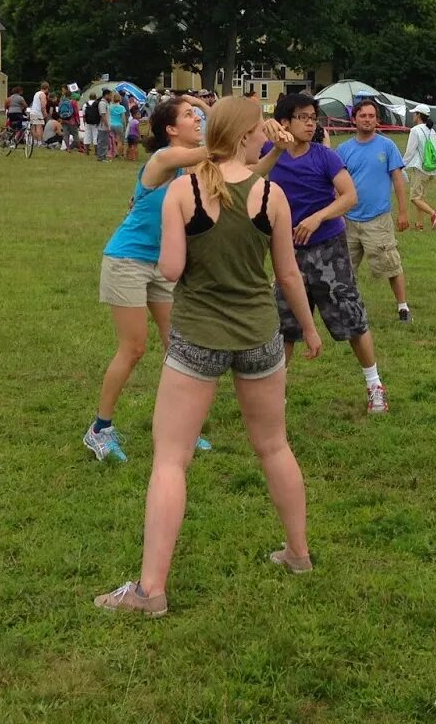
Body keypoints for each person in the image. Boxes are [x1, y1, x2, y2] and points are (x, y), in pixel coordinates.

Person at [93, 97, 322, 617]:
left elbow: (170, 270)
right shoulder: (272, 194)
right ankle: (298, 554)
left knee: (171, 459)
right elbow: (287, 274)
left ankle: (151, 591)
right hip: (260, 336)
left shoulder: (185, 189)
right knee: (274, 446)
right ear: (247, 135)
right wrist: (308, 329)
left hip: (197, 337)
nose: (270, 136)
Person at [87, 96, 291, 463]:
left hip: (169, 265)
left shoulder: (200, 169)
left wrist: (273, 146)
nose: (197, 120)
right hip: (128, 259)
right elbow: (224, 146)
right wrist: (240, 124)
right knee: (133, 348)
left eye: (199, 116)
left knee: (177, 348)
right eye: (188, 116)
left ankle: (181, 428)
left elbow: (247, 171)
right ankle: (100, 428)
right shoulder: (164, 160)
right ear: (170, 129)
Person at [266, 93, 387, 413]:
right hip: (287, 251)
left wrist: (319, 216)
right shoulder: (270, 152)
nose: (310, 123)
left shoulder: (325, 156)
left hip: (328, 249)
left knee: (351, 318)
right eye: (303, 117)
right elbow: (237, 148)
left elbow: (349, 197)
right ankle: (277, 392)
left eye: (313, 117)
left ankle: (374, 385)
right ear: (285, 122)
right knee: (284, 325)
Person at [337, 99, 414, 323]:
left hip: (377, 220)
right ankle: (348, 310)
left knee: (391, 264)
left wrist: (402, 212)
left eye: (371, 116)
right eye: (363, 116)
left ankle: (403, 307)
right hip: (349, 220)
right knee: (345, 269)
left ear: (377, 119)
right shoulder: (343, 150)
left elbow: (398, 180)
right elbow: (336, 184)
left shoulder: (386, 146)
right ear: (354, 119)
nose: (368, 120)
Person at [402, 108, 436, 230]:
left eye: (414, 114)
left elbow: (410, 151)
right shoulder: (430, 130)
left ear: (418, 115)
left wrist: (400, 165)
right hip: (431, 169)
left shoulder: (415, 130)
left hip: (421, 169)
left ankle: (433, 213)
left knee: (414, 198)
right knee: (420, 198)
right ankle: (419, 225)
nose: (413, 116)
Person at [108, 93, 128, 161]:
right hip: (119, 124)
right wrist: (125, 126)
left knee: (113, 140)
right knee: (120, 140)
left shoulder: (110, 107)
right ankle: (118, 153)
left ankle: (113, 152)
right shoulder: (122, 107)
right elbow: (123, 119)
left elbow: (109, 116)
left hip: (111, 124)